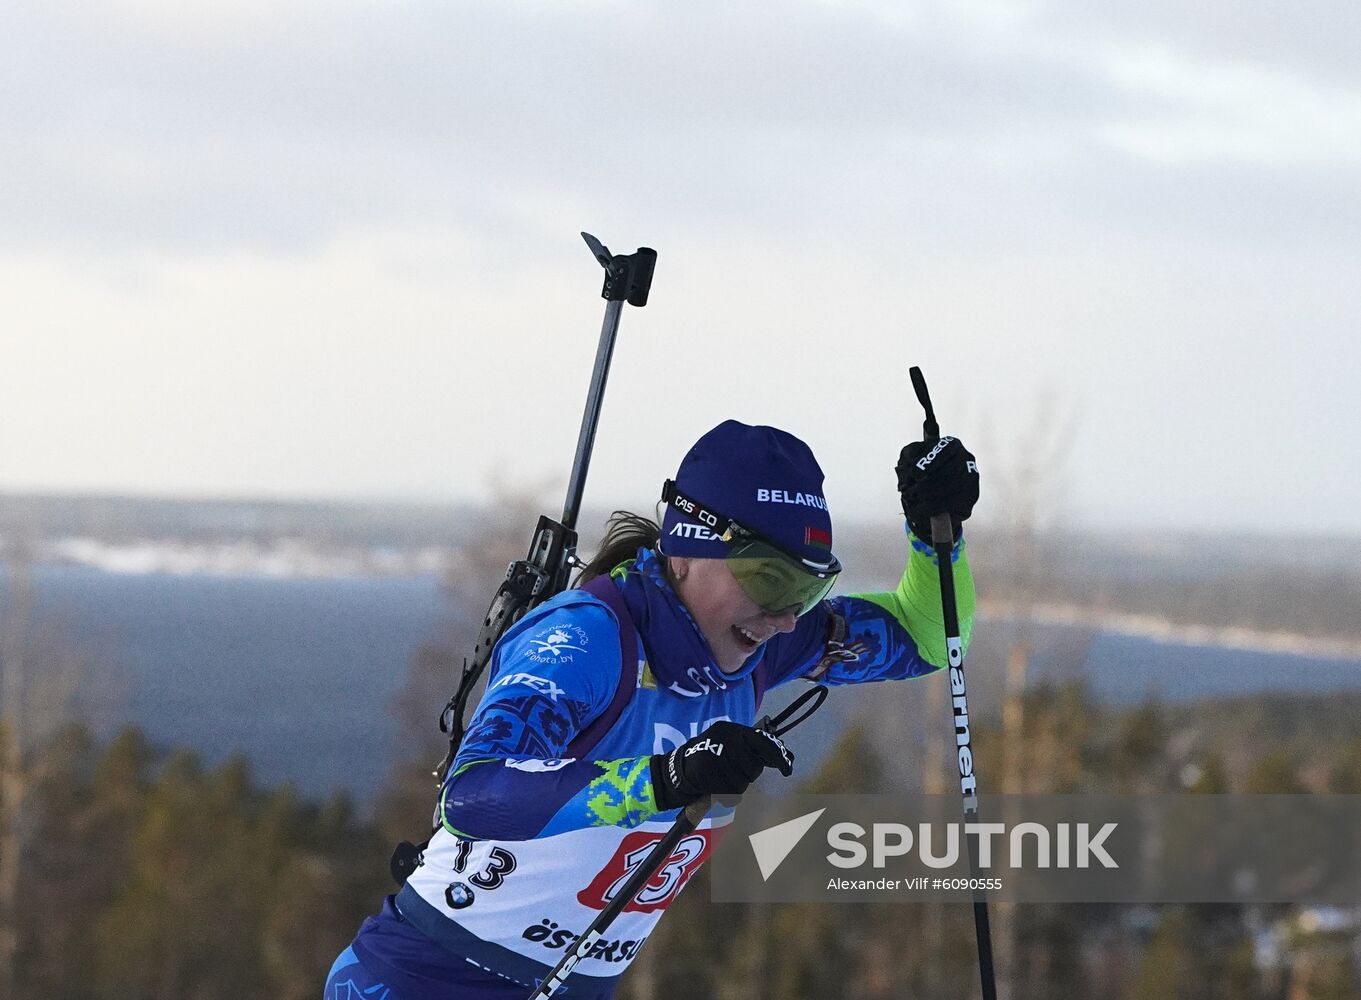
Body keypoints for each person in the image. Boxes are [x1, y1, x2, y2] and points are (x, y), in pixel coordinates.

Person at [324, 420, 980, 999]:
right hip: (426, 979)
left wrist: (934, 542)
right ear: (689, 549)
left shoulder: (757, 649)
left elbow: (925, 640)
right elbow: (472, 793)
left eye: (808, 588)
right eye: (771, 581)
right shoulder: (586, 638)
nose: (785, 619)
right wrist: (667, 777)